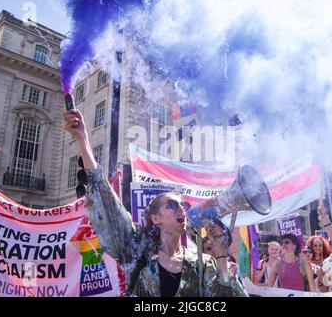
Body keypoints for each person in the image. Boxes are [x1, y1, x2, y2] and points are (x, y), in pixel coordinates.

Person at [63, 109, 248, 297]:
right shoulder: (135, 250)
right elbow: (106, 199)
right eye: (173, 205)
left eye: (182, 206)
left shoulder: (201, 263)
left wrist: (221, 255)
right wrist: (82, 138)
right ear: (155, 218)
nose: (182, 210)